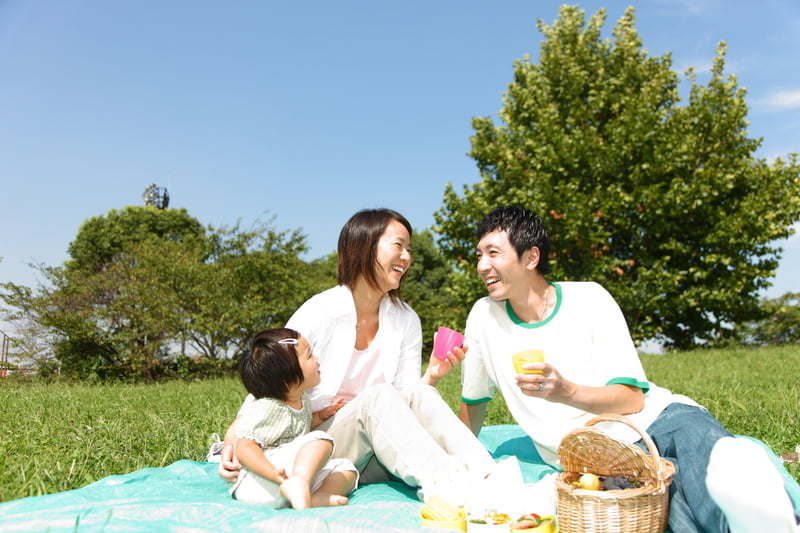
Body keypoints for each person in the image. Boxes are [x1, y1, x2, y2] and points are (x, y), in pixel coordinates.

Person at [459, 205, 800, 533]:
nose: (482, 266)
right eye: (479, 255)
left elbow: (632, 399)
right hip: (595, 456)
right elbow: (474, 402)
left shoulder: (589, 298)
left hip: (658, 419)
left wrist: (566, 391)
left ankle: (768, 515)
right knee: (671, 500)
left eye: (493, 253)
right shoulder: (483, 317)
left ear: (531, 257)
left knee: (707, 454)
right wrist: (455, 462)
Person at [219, 208, 496, 494]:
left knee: (421, 393)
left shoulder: (406, 319)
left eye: (409, 249)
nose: (406, 257)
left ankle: (491, 477)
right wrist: (235, 435)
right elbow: (274, 371)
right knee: (377, 397)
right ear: (364, 246)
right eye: (398, 245)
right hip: (314, 450)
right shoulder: (321, 310)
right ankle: (453, 490)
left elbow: (406, 397)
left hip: (377, 453)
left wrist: (431, 377)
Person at [229, 328, 358, 509]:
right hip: (260, 481)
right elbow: (244, 446)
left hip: (284, 484)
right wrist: (274, 474)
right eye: (309, 355)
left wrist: (322, 415)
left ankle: (316, 497)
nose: (317, 359)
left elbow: (299, 426)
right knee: (321, 440)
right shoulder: (268, 407)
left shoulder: (302, 400)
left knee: (346, 469)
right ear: (288, 379)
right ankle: (299, 482)